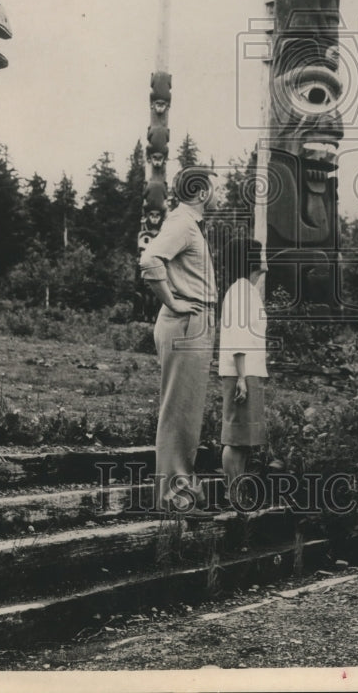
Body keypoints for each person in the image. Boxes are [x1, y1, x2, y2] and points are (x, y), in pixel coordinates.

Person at [139, 166, 218, 516]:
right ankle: (173, 498)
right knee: (179, 410)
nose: (214, 194)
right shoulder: (182, 222)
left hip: (194, 323)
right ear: (202, 193)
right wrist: (171, 301)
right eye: (212, 189)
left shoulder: (188, 224)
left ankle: (182, 489)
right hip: (186, 322)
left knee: (188, 410)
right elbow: (149, 259)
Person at [218, 234, 268, 505]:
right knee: (236, 438)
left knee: (246, 439)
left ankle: (238, 492)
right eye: (260, 253)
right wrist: (240, 377)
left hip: (251, 372)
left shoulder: (248, 290)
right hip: (241, 373)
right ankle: (232, 493)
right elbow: (237, 336)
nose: (265, 258)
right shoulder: (239, 290)